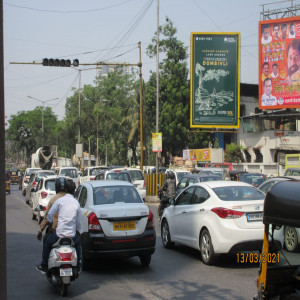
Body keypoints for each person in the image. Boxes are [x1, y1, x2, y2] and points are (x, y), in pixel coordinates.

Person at [36, 177, 82, 274]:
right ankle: (79, 264)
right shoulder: (76, 202)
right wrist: (77, 231)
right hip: (72, 234)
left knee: (47, 241)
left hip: (57, 232)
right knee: (78, 245)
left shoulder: (55, 200)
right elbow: (78, 222)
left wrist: (41, 230)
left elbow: (48, 217)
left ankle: (44, 265)